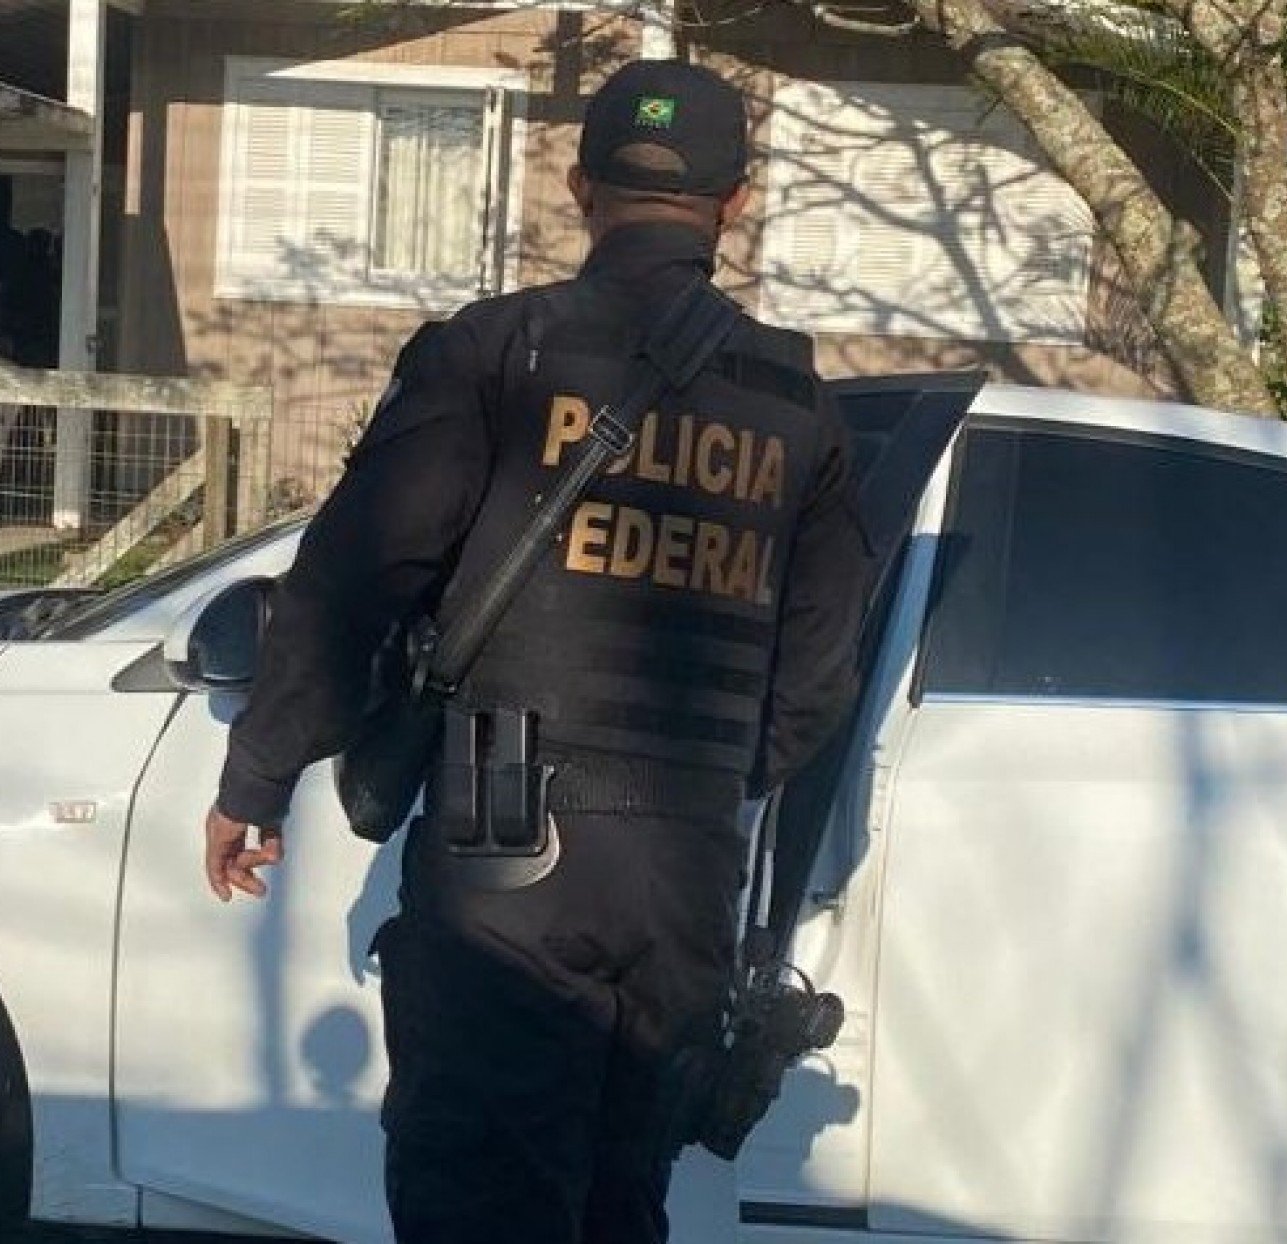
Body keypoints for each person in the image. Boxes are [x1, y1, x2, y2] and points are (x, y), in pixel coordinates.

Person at [201, 58, 873, 1244]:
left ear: (578, 187)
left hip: (507, 811)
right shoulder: (796, 403)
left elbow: (361, 571)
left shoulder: (498, 351)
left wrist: (261, 769)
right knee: (623, 1201)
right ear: (738, 200)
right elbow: (820, 667)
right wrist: (716, 773)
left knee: (482, 1199)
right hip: (689, 858)